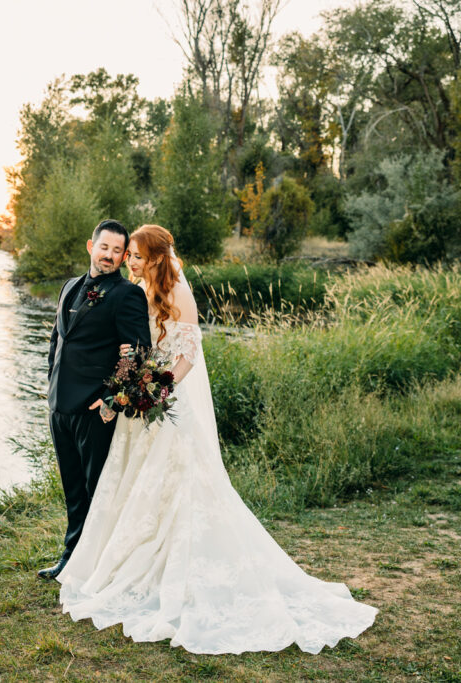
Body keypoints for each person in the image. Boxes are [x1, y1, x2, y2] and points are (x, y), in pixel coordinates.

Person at [56, 224, 378, 654]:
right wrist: (131, 390)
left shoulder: (176, 293)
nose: (128, 260)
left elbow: (188, 352)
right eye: (123, 253)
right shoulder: (136, 289)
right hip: (142, 404)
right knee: (138, 487)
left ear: (155, 256)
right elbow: (132, 349)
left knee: (181, 488)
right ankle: (126, 562)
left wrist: (157, 390)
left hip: (168, 403)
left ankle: (179, 572)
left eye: (134, 254)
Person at [38, 219, 152, 580]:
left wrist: (111, 398)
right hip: (59, 406)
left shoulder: (126, 294)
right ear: (91, 246)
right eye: (105, 248)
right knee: (73, 489)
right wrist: (50, 381)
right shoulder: (69, 286)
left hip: (94, 411)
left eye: (118, 251)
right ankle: (71, 559)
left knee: (96, 490)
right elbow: (59, 339)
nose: (111, 256)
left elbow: (139, 352)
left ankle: (97, 565)